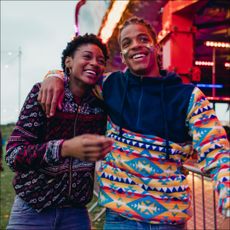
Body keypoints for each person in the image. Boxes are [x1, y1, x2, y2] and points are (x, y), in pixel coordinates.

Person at [38, 17, 230, 230]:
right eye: (127, 43)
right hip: (119, 219)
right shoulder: (110, 85)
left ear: (156, 47)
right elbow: (76, 75)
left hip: (168, 222)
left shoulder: (190, 97)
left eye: (142, 38)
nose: (135, 45)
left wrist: (228, 198)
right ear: (123, 56)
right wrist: (53, 75)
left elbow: (217, 151)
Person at [5, 34, 114, 230]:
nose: (94, 64)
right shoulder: (43, 93)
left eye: (101, 60)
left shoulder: (101, 103)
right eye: (87, 57)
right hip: (33, 209)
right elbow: (14, 155)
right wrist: (64, 148)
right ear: (69, 62)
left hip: (76, 213)